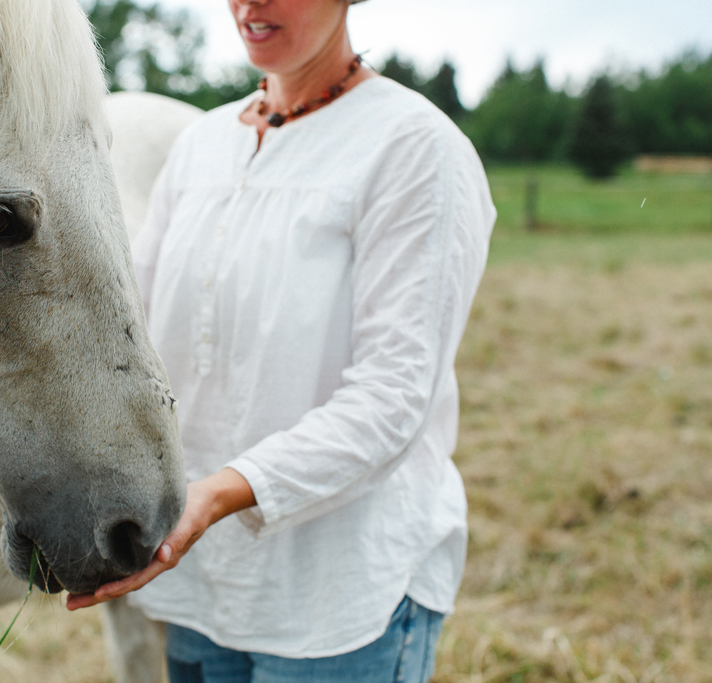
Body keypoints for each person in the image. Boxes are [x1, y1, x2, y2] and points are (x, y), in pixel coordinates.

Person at [67, 0, 496, 680]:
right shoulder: (200, 146)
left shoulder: (416, 149)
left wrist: (214, 496)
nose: (250, 2)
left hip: (341, 595)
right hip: (204, 584)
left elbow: (391, 398)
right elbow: (133, 335)